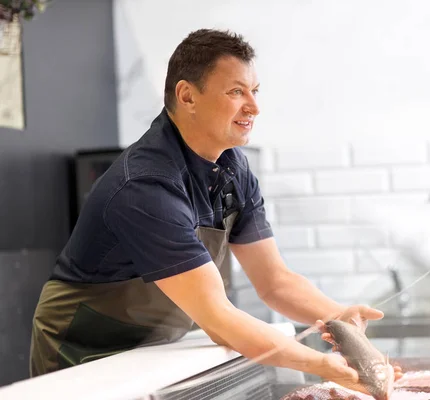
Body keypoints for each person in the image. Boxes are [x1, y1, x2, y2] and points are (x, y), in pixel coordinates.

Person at [29, 28, 402, 393]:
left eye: (254, 91)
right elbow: (218, 319)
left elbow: (274, 282)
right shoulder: (145, 184)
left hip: (154, 347)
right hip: (83, 352)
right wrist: (318, 363)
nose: (254, 107)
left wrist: (339, 317)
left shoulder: (233, 169)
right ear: (187, 95)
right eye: (236, 91)